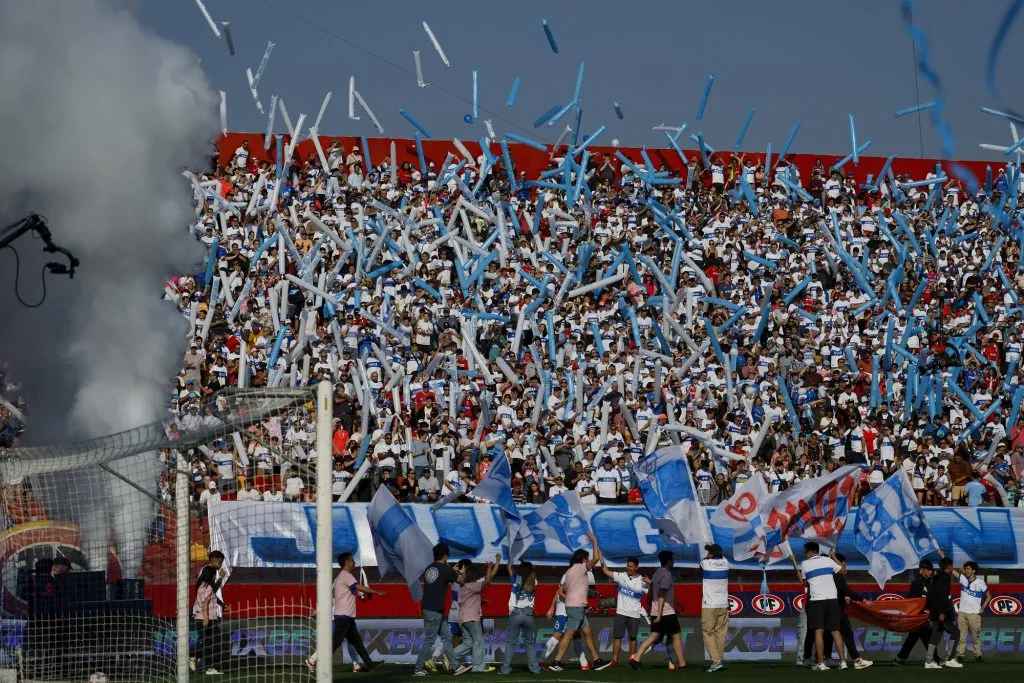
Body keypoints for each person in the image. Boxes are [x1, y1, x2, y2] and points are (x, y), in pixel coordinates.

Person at [304, 552, 385, 673]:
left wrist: (318, 610)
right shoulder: (347, 575)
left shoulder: (338, 578)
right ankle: (313, 661)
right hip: (343, 617)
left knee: (357, 643)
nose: (354, 563)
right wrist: (377, 592)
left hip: (346, 617)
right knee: (334, 644)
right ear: (346, 562)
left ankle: (369, 664)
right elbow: (359, 587)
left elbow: (330, 597)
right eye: (352, 560)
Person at [547, 532, 609, 671]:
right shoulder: (580, 568)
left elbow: (563, 590)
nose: (588, 562)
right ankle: (556, 662)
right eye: (586, 559)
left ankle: (597, 661)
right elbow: (597, 558)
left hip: (575, 607)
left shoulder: (569, 572)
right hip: (576, 608)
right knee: (569, 634)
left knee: (588, 632)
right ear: (582, 559)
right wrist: (594, 540)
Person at [630, 550, 686, 670]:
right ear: (669, 561)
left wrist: (651, 607)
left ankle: (636, 658)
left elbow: (652, 591)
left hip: (657, 611)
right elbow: (662, 594)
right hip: (666, 612)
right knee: (676, 637)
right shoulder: (666, 574)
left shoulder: (657, 573)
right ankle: (682, 664)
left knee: (653, 636)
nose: (674, 561)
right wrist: (660, 614)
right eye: (672, 559)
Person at [413, 543, 459, 677]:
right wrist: (457, 572)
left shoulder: (429, 568)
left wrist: (451, 570)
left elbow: (441, 577)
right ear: (445, 555)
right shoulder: (445, 569)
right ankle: (418, 668)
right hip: (435, 609)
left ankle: (454, 666)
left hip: (429, 607)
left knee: (447, 637)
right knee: (429, 640)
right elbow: (460, 581)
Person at [799, 542, 845, 671]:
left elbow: (805, 584)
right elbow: (843, 570)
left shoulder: (805, 564)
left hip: (817, 600)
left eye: (805, 552)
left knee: (818, 631)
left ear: (809, 552)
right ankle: (843, 662)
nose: (804, 554)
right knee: (835, 630)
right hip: (832, 600)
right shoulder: (827, 560)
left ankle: (821, 663)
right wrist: (833, 556)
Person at [598, 554, 648, 667]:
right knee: (617, 637)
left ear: (636, 567)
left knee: (633, 638)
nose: (628, 568)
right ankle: (615, 661)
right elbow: (606, 571)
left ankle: (632, 659)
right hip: (621, 613)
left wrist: (650, 583)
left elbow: (652, 593)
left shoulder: (642, 581)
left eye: (631, 566)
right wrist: (601, 558)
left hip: (634, 614)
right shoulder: (622, 576)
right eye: (627, 566)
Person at [453, 554, 500, 675]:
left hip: (462, 619)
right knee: (478, 642)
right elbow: (488, 581)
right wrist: (489, 567)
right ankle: (478, 667)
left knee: (468, 643)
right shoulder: (473, 585)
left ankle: (450, 656)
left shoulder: (462, 586)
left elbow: (469, 599)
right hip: (472, 618)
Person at [894, 559, 939, 665]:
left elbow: (929, 600)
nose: (930, 572)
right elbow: (911, 600)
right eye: (928, 570)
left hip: (923, 615)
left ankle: (900, 659)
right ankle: (935, 659)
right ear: (922, 570)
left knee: (913, 637)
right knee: (928, 635)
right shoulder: (916, 583)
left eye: (931, 570)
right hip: (917, 616)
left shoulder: (929, 583)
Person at [832, 553, 873, 668]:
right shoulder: (837, 575)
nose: (845, 567)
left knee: (843, 634)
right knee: (844, 634)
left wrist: (843, 597)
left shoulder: (831, 575)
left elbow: (839, 592)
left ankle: (853, 660)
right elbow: (848, 591)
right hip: (836, 609)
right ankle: (850, 661)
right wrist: (864, 600)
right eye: (843, 564)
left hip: (833, 607)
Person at [502, 559, 541, 675]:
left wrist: (510, 558)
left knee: (510, 643)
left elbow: (509, 567)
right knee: (529, 644)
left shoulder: (516, 579)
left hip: (516, 614)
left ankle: (505, 669)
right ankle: (535, 669)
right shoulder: (535, 581)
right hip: (528, 614)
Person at [192, 550, 228, 676]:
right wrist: (206, 616)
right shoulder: (208, 573)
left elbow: (211, 592)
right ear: (215, 560)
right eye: (220, 561)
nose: (221, 564)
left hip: (206, 615)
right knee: (212, 641)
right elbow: (204, 597)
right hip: (205, 616)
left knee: (209, 641)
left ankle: (199, 662)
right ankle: (196, 659)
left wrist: (222, 604)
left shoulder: (206, 574)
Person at [924, 554, 963, 668]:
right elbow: (943, 596)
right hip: (942, 613)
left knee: (935, 636)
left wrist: (934, 611)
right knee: (956, 632)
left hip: (935, 612)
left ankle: (929, 661)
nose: (952, 568)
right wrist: (942, 612)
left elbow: (932, 596)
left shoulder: (935, 577)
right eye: (951, 566)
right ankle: (950, 659)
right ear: (949, 567)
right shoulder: (945, 577)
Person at [700, 543, 730, 673]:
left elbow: (701, 563)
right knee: (720, 633)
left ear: (711, 554)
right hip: (723, 604)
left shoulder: (705, 564)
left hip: (710, 605)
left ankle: (716, 661)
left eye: (709, 552)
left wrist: (708, 555)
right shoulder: (725, 562)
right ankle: (719, 660)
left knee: (708, 632)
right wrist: (712, 550)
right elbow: (717, 557)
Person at [952, 560, 989, 663]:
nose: (966, 570)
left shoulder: (980, 583)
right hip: (962, 613)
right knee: (962, 637)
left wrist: (983, 607)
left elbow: (989, 596)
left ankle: (978, 655)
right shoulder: (963, 579)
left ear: (974, 570)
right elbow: (951, 570)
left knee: (975, 637)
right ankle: (960, 656)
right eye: (966, 569)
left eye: (968, 569)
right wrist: (943, 556)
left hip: (974, 614)